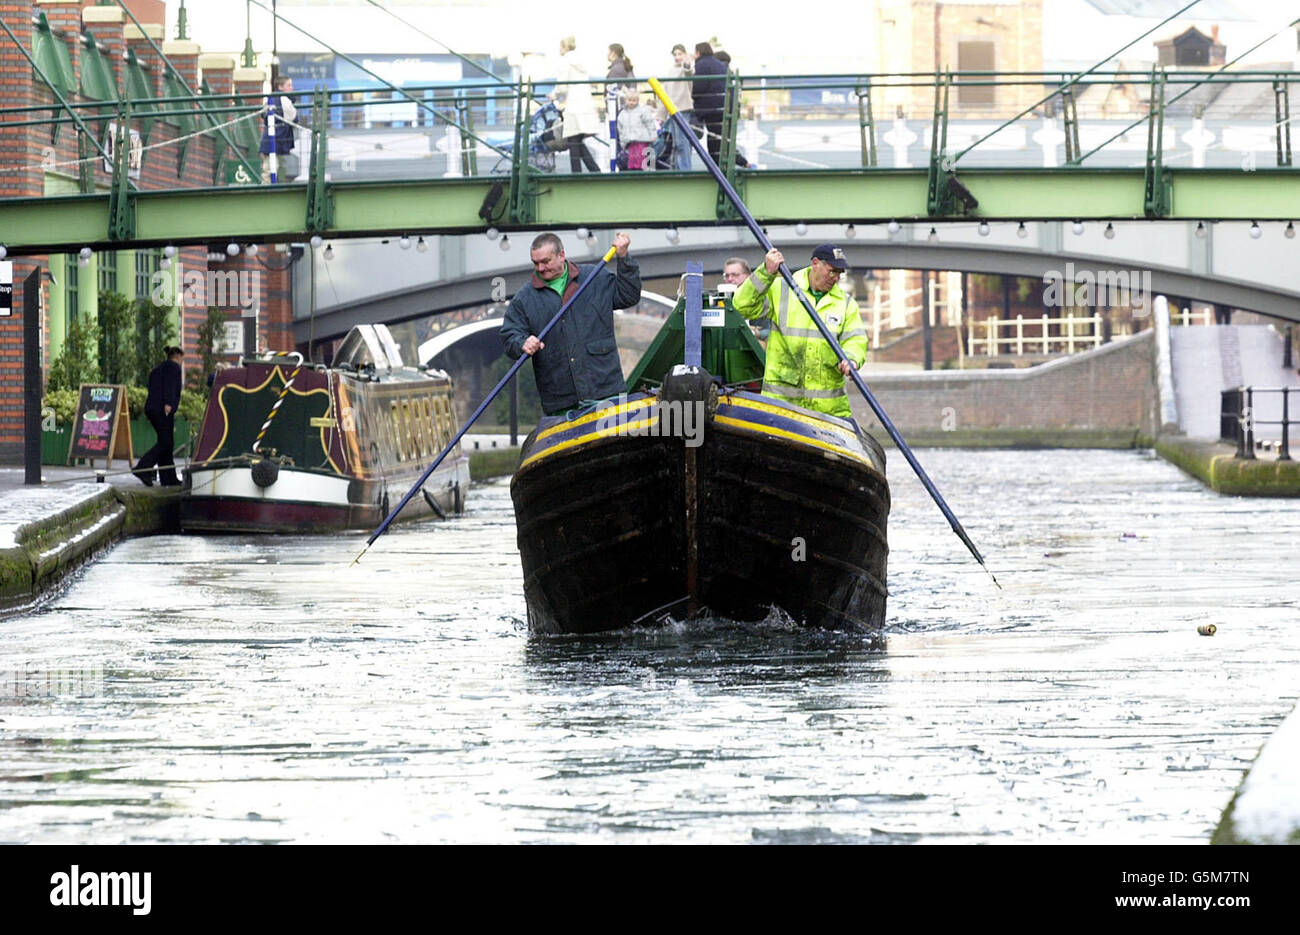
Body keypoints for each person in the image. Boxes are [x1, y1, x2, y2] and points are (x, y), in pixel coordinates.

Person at [501, 232, 642, 416]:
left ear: (561, 255)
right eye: (536, 263)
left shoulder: (595, 278)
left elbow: (629, 295)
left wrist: (624, 258)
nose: (541, 268)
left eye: (546, 261)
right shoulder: (524, 299)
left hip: (607, 392)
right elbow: (509, 336)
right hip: (561, 403)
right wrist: (522, 343)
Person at [731, 244, 867, 419]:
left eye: (840, 273)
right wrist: (766, 272)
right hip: (782, 408)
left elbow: (855, 339)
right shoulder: (781, 289)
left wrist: (851, 358)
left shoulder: (845, 303)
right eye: (832, 271)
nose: (835, 278)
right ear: (815, 264)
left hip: (829, 412)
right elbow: (741, 307)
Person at [134, 346, 185, 486]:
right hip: (164, 409)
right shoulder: (174, 368)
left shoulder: (157, 369)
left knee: (167, 443)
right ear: (178, 356)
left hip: (152, 408)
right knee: (165, 442)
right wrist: (169, 403)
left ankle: (168, 477)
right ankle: (143, 468)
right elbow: (170, 386)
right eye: (182, 359)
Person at [553, 37, 602, 173]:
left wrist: (554, 94)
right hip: (585, 104)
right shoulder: (580, 61)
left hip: (573, 105)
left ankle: (577, 172)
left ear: (564, 47)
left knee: (573, 139)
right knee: (577, 140)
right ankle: (594, 170)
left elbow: (562, 87)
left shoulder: (565, 61)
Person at [655, 44, 695, 170]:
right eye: (675, 54)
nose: (677, 57)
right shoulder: (670, 71)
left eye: (680, 54)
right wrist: (660, 116)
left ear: (684, 54)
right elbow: (664, 94)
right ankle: (680, 168)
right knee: (677, 143)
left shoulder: (686, 68)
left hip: (682, 108)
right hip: (672, 109)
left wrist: (687, 62)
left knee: (682, 142)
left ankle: (684, 169)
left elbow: (689, 72)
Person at [691, 42, 727, 165]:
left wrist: (692, 95)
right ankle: (721, 165)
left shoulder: (701, 65)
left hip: (708, 107)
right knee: (719, 138)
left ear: (698, 52)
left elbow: (699, 86)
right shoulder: (720, 64)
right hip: (722, 105)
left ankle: (714, 167)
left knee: (712, 139)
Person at [259, 75, 298, 183]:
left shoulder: (272, 99)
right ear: (280, 87)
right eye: (289, 85)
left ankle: (270, 187)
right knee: (271, 168)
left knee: (271, 167)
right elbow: (294, 118)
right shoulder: (283, 99)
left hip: (274, 139)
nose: (291, 88)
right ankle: (268, 191)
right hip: (277, 139)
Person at [723, 256, 770, 342]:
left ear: (749, 276)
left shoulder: (760, 299)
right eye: (727, 276)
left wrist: (754, 332)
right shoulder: (722, 301)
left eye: (735, 275)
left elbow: (770, 332)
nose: (730, 279)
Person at [616, 88, 657, 170]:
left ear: (638, 100)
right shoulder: (622, 114)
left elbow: (650, 123)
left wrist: (653, 135)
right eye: (629, 100)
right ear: (625, 100)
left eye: (634, 100)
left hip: (641, 139)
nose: (631, 102)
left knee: (641, 157)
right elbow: (620, 128)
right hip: (629, 141)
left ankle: (643, 170)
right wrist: (622, 140)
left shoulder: (642, 111)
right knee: (632, 158)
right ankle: (634, 171)